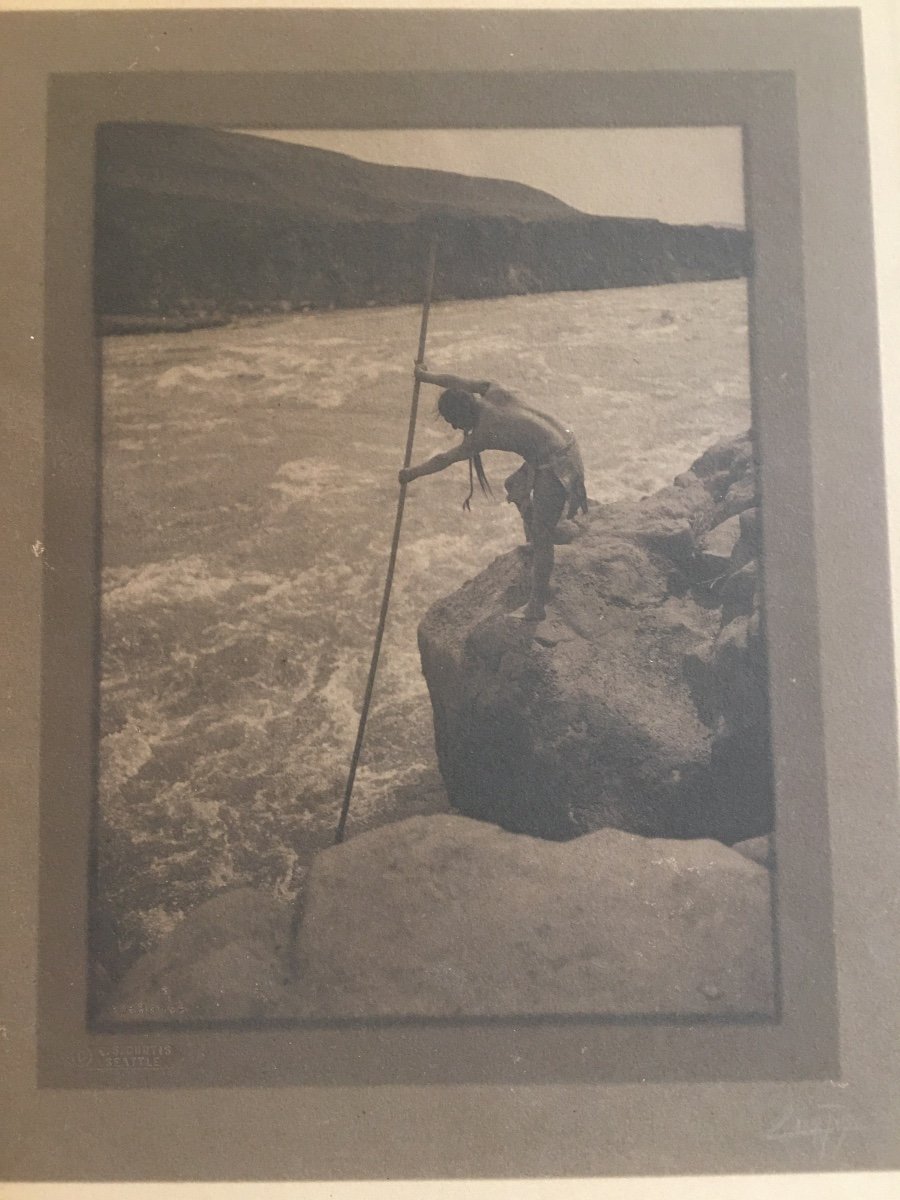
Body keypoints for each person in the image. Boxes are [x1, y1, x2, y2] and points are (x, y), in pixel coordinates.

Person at [399, 365, 588, 622]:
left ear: (462, 414)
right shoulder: (493, 390)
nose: (456, 428)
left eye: (454, 422)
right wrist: (426, 376)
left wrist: (412, 473)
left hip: (556, 465)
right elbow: (454, 380)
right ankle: (538, 556)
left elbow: (445, 459)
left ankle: (537, 603)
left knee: (542, 533)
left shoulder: (483, 433)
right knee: (514, 487)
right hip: (565, 443)